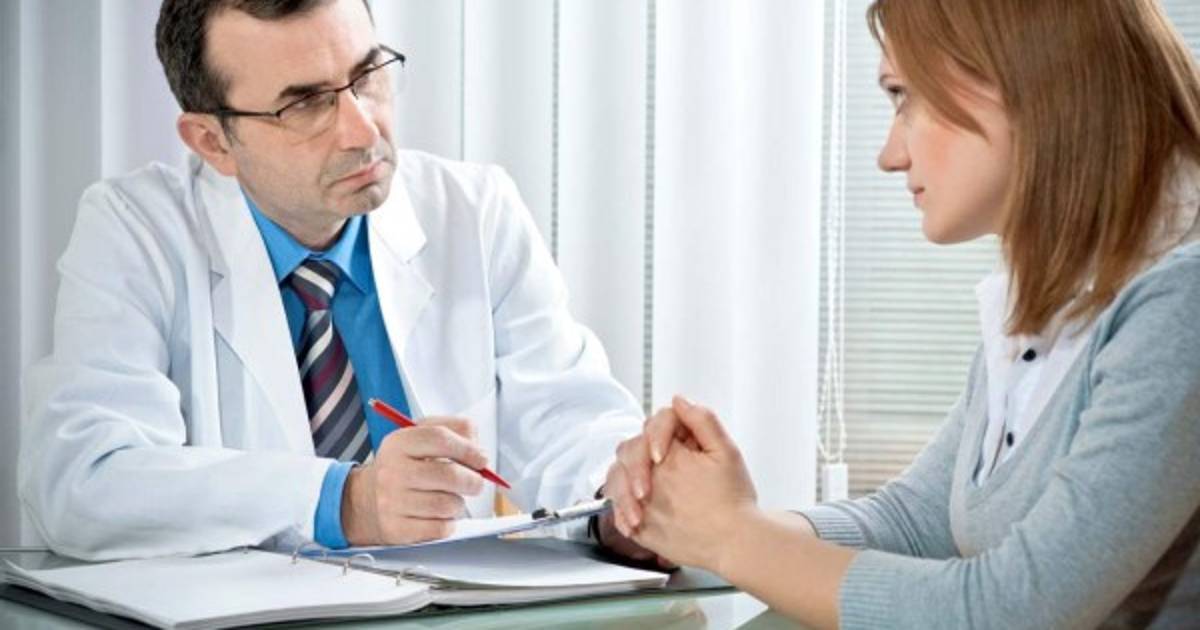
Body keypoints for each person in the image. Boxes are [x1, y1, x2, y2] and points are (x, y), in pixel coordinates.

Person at [607, 0, 1200, 627]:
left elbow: (1010, 611)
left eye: (902, 96)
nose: (890, 155)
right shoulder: (1055, 296)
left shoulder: (1179, 302)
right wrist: (694, 521)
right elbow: (918, 522)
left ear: (1024, 79)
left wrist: (731, 537)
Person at [19, 0, 650, 562]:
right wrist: (346, 503)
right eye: (305, 104)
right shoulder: (137, 230)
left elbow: (568, 421)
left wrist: (626, 501)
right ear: (212, 142)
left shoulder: (474, 210)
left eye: (367, 75)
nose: (363, 130)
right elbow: (83, 483)